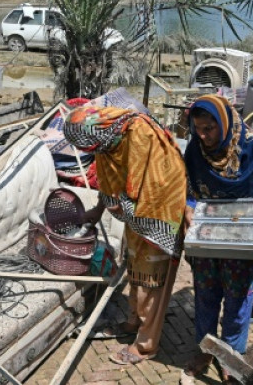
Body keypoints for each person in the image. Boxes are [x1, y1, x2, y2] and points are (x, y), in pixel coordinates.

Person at [182, 94, 253, 382]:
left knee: (238, 298)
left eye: (209, 128)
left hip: (244, 232)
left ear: (224, 122)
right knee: (206, 295)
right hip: (208, 232)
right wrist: (187, 206)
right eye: (198, 128)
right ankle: (205, 350)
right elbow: (186, 185)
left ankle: (230, 355)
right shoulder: (195, 150)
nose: (203, 135)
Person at [63, 105, 187, 365]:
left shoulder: (141, 134)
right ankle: (135, 323)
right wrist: (99, 210)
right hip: (134, 216)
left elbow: (157, 183)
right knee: (135, 272)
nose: (93, 153)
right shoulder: (108, 140)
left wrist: (126, 204)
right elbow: (111, 179)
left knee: (152, 282)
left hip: (158, 218)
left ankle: (145, 346)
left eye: (92, 147)